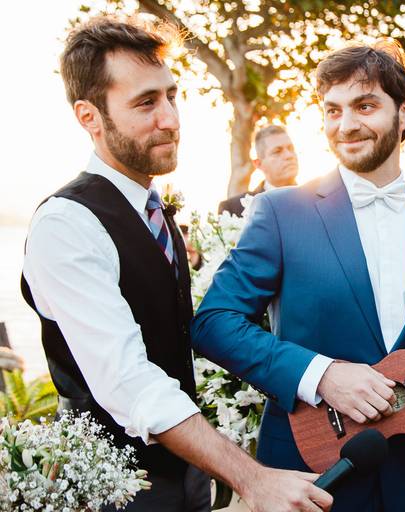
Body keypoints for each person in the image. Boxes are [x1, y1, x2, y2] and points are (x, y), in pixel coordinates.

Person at [191, 41, 405, 512]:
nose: (345, 125)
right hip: (310, 474)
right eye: (332, 111)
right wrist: (322, 374)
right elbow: (214, 322)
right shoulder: (281, 212)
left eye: (365, 105)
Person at [20, 18, 331, 512]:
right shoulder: (66, 225)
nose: (170, 118)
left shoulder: (154, 209)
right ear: (89, 116)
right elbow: (130, 383)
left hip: (186, 478)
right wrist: (253, 479)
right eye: (146, 102)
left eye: (172, 95)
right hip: (114, 490)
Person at [218, 125, 299, 216]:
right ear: (259, 164)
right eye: (277, 151)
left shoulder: (315, 201)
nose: (289, 155)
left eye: (290, 148)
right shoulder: (232, 209)